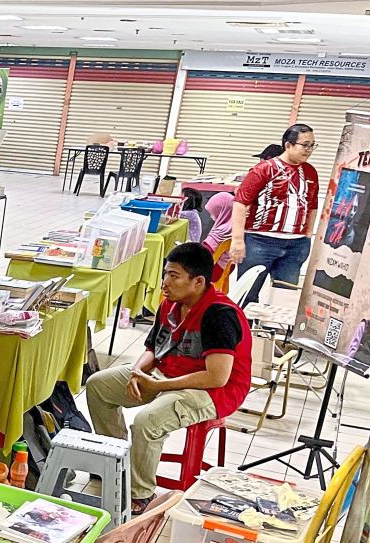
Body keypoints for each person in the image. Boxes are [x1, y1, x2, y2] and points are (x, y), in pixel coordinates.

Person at [86, 243, 251, 514]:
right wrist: (138, 372)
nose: (165, 282)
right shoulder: (170, 303)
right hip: (167, 373)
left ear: (198, 282)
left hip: (212, 391)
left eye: (174, 276)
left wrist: (160, 386)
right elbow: (153, 348)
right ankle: (117, 463)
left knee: (147, 421)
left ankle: (140, 494)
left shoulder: (219, 314)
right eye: (166, 274)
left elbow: (217, 377)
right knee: (98, 386)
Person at [230, 124, 319, 304]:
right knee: (247, 294)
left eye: (312, 145)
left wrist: (308, 235)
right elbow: (240, 203)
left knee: (284, 298)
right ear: (288, 145)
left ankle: (270, 323)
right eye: (305, 145)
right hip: (260, 241)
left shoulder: (310, 172)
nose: (309, 150)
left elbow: (312, 205)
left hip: (296, 245)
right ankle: (241, 322)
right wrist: (237, 240)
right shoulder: (263, 169)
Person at [203, 191, 235, 282]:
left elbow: (204, 254)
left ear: (221, 211)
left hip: (212, 272)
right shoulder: (235, 227)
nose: (211, 216)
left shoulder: (219, 232)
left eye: (212, 213)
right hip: (227, 268)